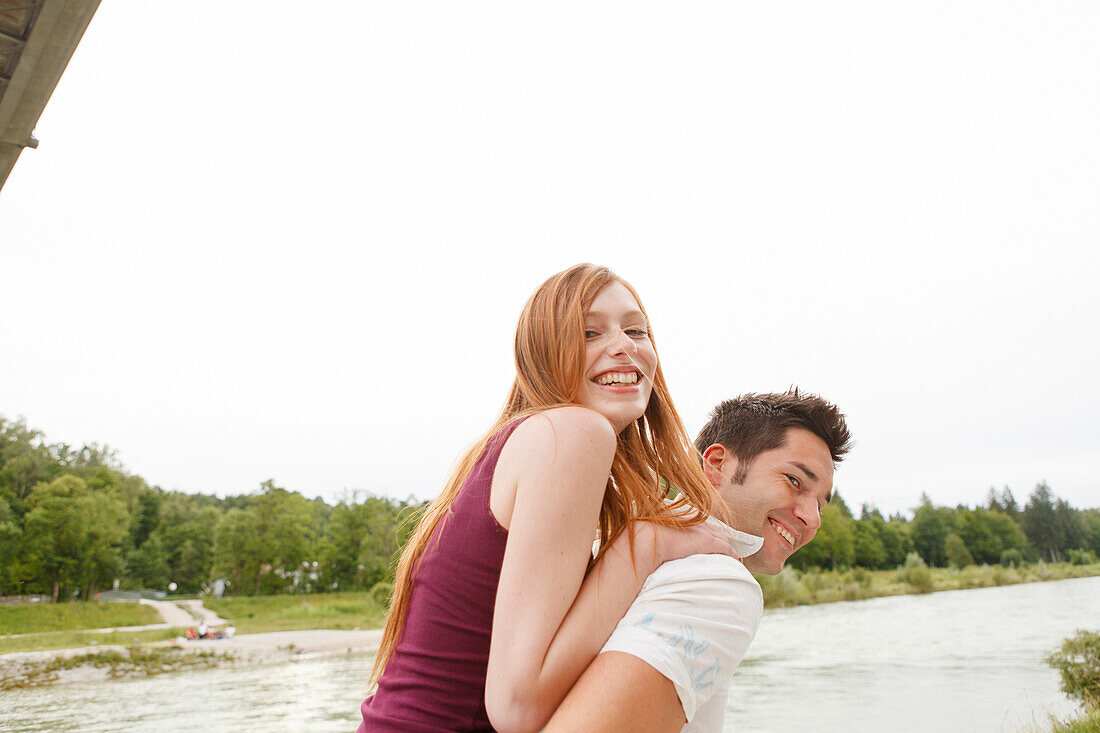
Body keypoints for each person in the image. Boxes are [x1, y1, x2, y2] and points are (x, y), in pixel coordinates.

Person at [358, 264, 735, 733]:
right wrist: (647, 546)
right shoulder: (570, 433)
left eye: (636, 329)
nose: (624, 345)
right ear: (541, 355)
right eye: (589, 333)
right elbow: (517, 707)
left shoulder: (519, 442)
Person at [545, 390, 852, 732]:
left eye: (821, 505)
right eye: (794, 480)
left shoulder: (611, 539)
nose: (813, 519)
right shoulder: (721, 583)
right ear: (718, 464)